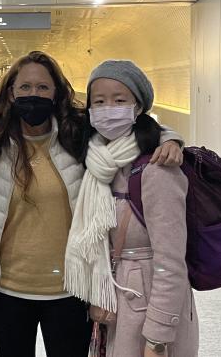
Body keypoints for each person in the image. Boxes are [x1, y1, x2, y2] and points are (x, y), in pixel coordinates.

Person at [0, 51, 184, 357]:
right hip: (7, 291)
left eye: (43, 87)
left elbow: (131, 130)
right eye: (25, 87)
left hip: (70, 291)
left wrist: (170, 139)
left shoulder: (77, 135)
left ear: (57, 93)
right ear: (11, 93)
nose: (33, 95)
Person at [64, 60, 198, 357]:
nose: (108, 108)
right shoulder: (96, 163)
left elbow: (171, 262)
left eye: (119, 100)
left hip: (149, 310)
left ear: (138, 108)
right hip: (117, 305)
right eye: (99, 101)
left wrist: (158, 338)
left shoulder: (158, 168)